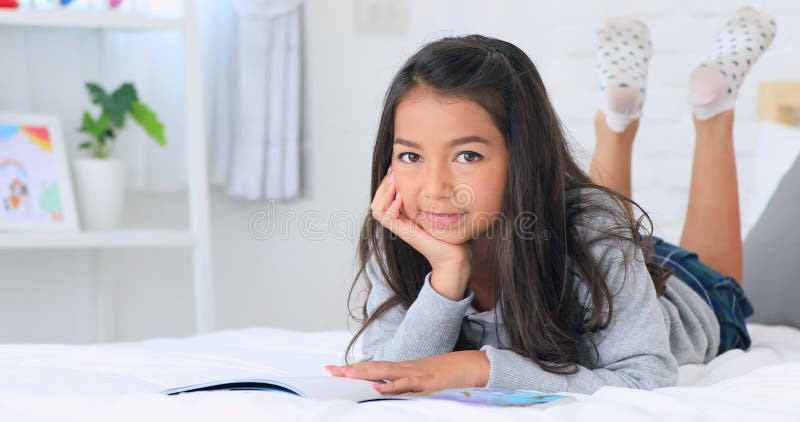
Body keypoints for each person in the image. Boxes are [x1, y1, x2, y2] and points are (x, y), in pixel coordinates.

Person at [325, 6, 774, 395]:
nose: (435, 187)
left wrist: (480, 367)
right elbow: (392, 374)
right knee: (600, 220)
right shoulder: (403, 236)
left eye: (467, 155)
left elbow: (646, 378)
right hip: (603, 255)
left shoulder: (594, 232)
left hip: (678, 290)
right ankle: (618, 117)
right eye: (410, 155)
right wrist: (446, 274)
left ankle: (713, 110)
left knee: (605, 224)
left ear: (522, 155)